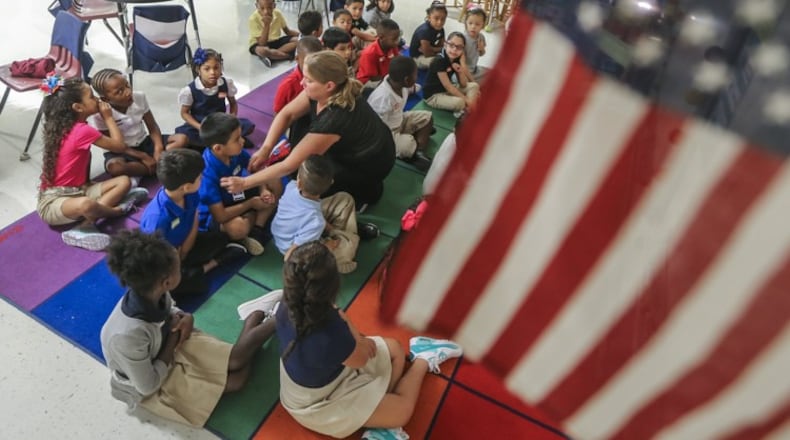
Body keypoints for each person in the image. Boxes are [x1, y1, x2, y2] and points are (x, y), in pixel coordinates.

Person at [275, 242, 463, 439]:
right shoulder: (331, 331)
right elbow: (361, 357)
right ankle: (423, 359)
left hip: (316, 380)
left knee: (394, 350)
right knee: (402, 410)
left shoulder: (290, 299)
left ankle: (380, 420)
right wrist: (356, 335)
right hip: (315, 403)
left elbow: (290, 256)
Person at [100, 230, 277, 427]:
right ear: (166, 281)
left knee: (237, 359)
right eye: (179, 268)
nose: (182, 269)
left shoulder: (152, 292)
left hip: (170, 344)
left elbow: (170, 309)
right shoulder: (126, 337)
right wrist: (173, 340)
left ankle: (262, 315)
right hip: (152, 378)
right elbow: (148, 385)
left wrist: (186, 317)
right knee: (237, 380)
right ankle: (268, 317)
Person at [221, 51, 396, 207]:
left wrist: (244, 183)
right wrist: (265, 149)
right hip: (362, 144)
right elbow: (287, 114)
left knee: (309, 182)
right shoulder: (322, 90)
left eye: (309, 80)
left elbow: (289, 165)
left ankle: (358, 195)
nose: (303, 82)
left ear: (329, 85)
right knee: (299, 120)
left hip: (368, 165)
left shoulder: (335, 118)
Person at [36, 74, 148, 251]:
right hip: (53, 203)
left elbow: (82, 162)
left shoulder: (66, 126)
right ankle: (95, 221)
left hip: (80, 189)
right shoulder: (82, 130)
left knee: (124, 181)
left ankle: (100, 211)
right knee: (87, 205)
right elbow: (119, 146)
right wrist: (108, 117)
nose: (97, 99)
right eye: (91, 97)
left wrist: (89, 185)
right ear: (78, 107)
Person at [140, 149, 249, 298]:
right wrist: (178, 261)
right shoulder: (157, 219)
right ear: (186, 186)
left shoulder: (189, 193)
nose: (202, 179)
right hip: (164, 260)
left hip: (185, 244)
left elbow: (194, 217)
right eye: (199, 177)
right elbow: (155, 260)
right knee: (174, 286)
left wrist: (185, 251)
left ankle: (199, 265)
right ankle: (211, 265)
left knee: (219, 238)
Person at [273, 154, 380, 274]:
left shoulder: (291, 186)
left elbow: (309, 217)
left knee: (345, 198)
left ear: (298, 182)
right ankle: (341, 255)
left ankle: (340, 233)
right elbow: (289, 257)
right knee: (346, 248)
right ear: (331, 183)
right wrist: (326, 247)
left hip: (291, 230)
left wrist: (327, 227)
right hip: (293, 247)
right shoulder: (315, 222)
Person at [198, 113, 276, 256]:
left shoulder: (236, 152)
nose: (243, 142)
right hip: (218, 213)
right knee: (238, 228)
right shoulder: (207, 174)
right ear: (218, 148)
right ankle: (253, 222)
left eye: (241, 136)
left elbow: (256, 168)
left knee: (274, 180)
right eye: (237, 139)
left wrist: (264, 190)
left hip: (238, 195)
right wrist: (252, 204)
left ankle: (257, 229)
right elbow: (220, 216)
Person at [89, 68, 188, 180]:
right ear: (105, 99)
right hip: (122, 151)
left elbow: (152, 126)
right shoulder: (100, 116)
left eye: (127, 85)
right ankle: (159, 166)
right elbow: (114, 146)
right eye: (119, 92)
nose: (128, 92)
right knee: (115, 168)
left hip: (144, 141)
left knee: (181, 139)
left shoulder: (139, 97)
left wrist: (158, 149)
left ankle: (149, 168)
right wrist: (143, 156)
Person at [175, 48, 256, 149]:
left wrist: (232, 118)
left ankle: (216, 143)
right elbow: (184, 113)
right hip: (201, 125)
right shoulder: (190, 90)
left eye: (216, 68)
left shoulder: (226, 84)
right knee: (187, 137)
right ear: (198, 70)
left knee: (248, 126)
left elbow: (233, 103)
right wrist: (199, 127)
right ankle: (228, 142)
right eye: (207, 69)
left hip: (220, 124)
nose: (212, 72)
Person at [368, 56, 434, 171]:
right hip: (387, 133)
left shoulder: (399, 85)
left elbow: (412, 88)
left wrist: (414, 88)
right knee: (408, 145)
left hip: (400, 120)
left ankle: (419, 151)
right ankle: (413, 147)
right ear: (407, 80)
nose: (417, 77)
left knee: (428, 117)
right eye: (416, 75)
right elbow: (376, 128)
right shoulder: (382, 97)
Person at [273, 37, 325, 146]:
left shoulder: (326, 76)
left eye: (317, 60)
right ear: (297, 59)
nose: (313, 66)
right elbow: (279, 115)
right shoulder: (288, 85)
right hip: (298, 127)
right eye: (308, 61)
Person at [423, 31, 480, 113]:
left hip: (446, 91)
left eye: (459, 47)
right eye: (451, 45)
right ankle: (468, 108)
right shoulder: (439, 60)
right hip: (434, 96)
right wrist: (467, 100)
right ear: (445, 44)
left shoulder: (456, 57)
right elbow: (448, 86)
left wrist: (460, 72)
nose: (454, 49)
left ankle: (468, 109)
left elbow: (463, 84)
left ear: (463, 50)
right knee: (460, 102)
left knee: (474, 86)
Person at [248, 0, 299, 67]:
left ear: (274, 6)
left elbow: (287, 31)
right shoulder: (253, 19)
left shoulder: (277, 14)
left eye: (269, 8)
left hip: (276, 40)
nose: (266, 11)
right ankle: (287, 56)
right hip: (259, 43)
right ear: (257, 6)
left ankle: (273, 55)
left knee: (299, 40)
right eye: (262, 8)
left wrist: (302, 35)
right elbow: (262, 43)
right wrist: (267, 25)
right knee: (262, 51)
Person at [356, 19, 401, 89]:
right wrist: (393, 77)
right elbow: (373, 78)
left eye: (398, 38)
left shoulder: (392, 46)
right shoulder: (369, 54)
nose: (397, 42)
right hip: (368, 82)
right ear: (381, 37)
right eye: (394, 39)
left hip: (385, 75)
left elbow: (397, 60)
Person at [408, 2, 447, 69]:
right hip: (417, 57)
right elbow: (427, 54)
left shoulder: (441, 29)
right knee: (441, 62)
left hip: (430, 53)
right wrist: (438, 50)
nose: (439, 22)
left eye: (443, 19)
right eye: (436, 18)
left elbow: (441, 46)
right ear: (429, 17)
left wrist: (433, 49)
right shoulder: (424, 31)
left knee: (450, 55)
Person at [463, 6, 488, 81]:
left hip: (474, 69)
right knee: (461, 81)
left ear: (482, 25)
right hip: (462, 71)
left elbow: (481, 54)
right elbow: (461, 63)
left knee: (489, 73)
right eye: (470, 23)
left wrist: (482, 49)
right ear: (466, 23)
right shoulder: (462, 39)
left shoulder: (481, 37)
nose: (473, 27)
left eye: (477, 24)